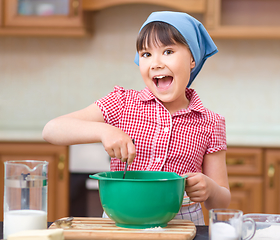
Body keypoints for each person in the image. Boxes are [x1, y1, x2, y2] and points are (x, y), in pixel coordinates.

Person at [42, 11, 231, 225]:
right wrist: (105, 130)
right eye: (146, 54)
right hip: (121, 218)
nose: (156, 63)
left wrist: (210, 189)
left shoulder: (210, 122)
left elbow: (221, 202)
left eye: (168, 51)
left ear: (192, 60)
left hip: (182, 224)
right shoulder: (122, 102)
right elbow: (51, 129)